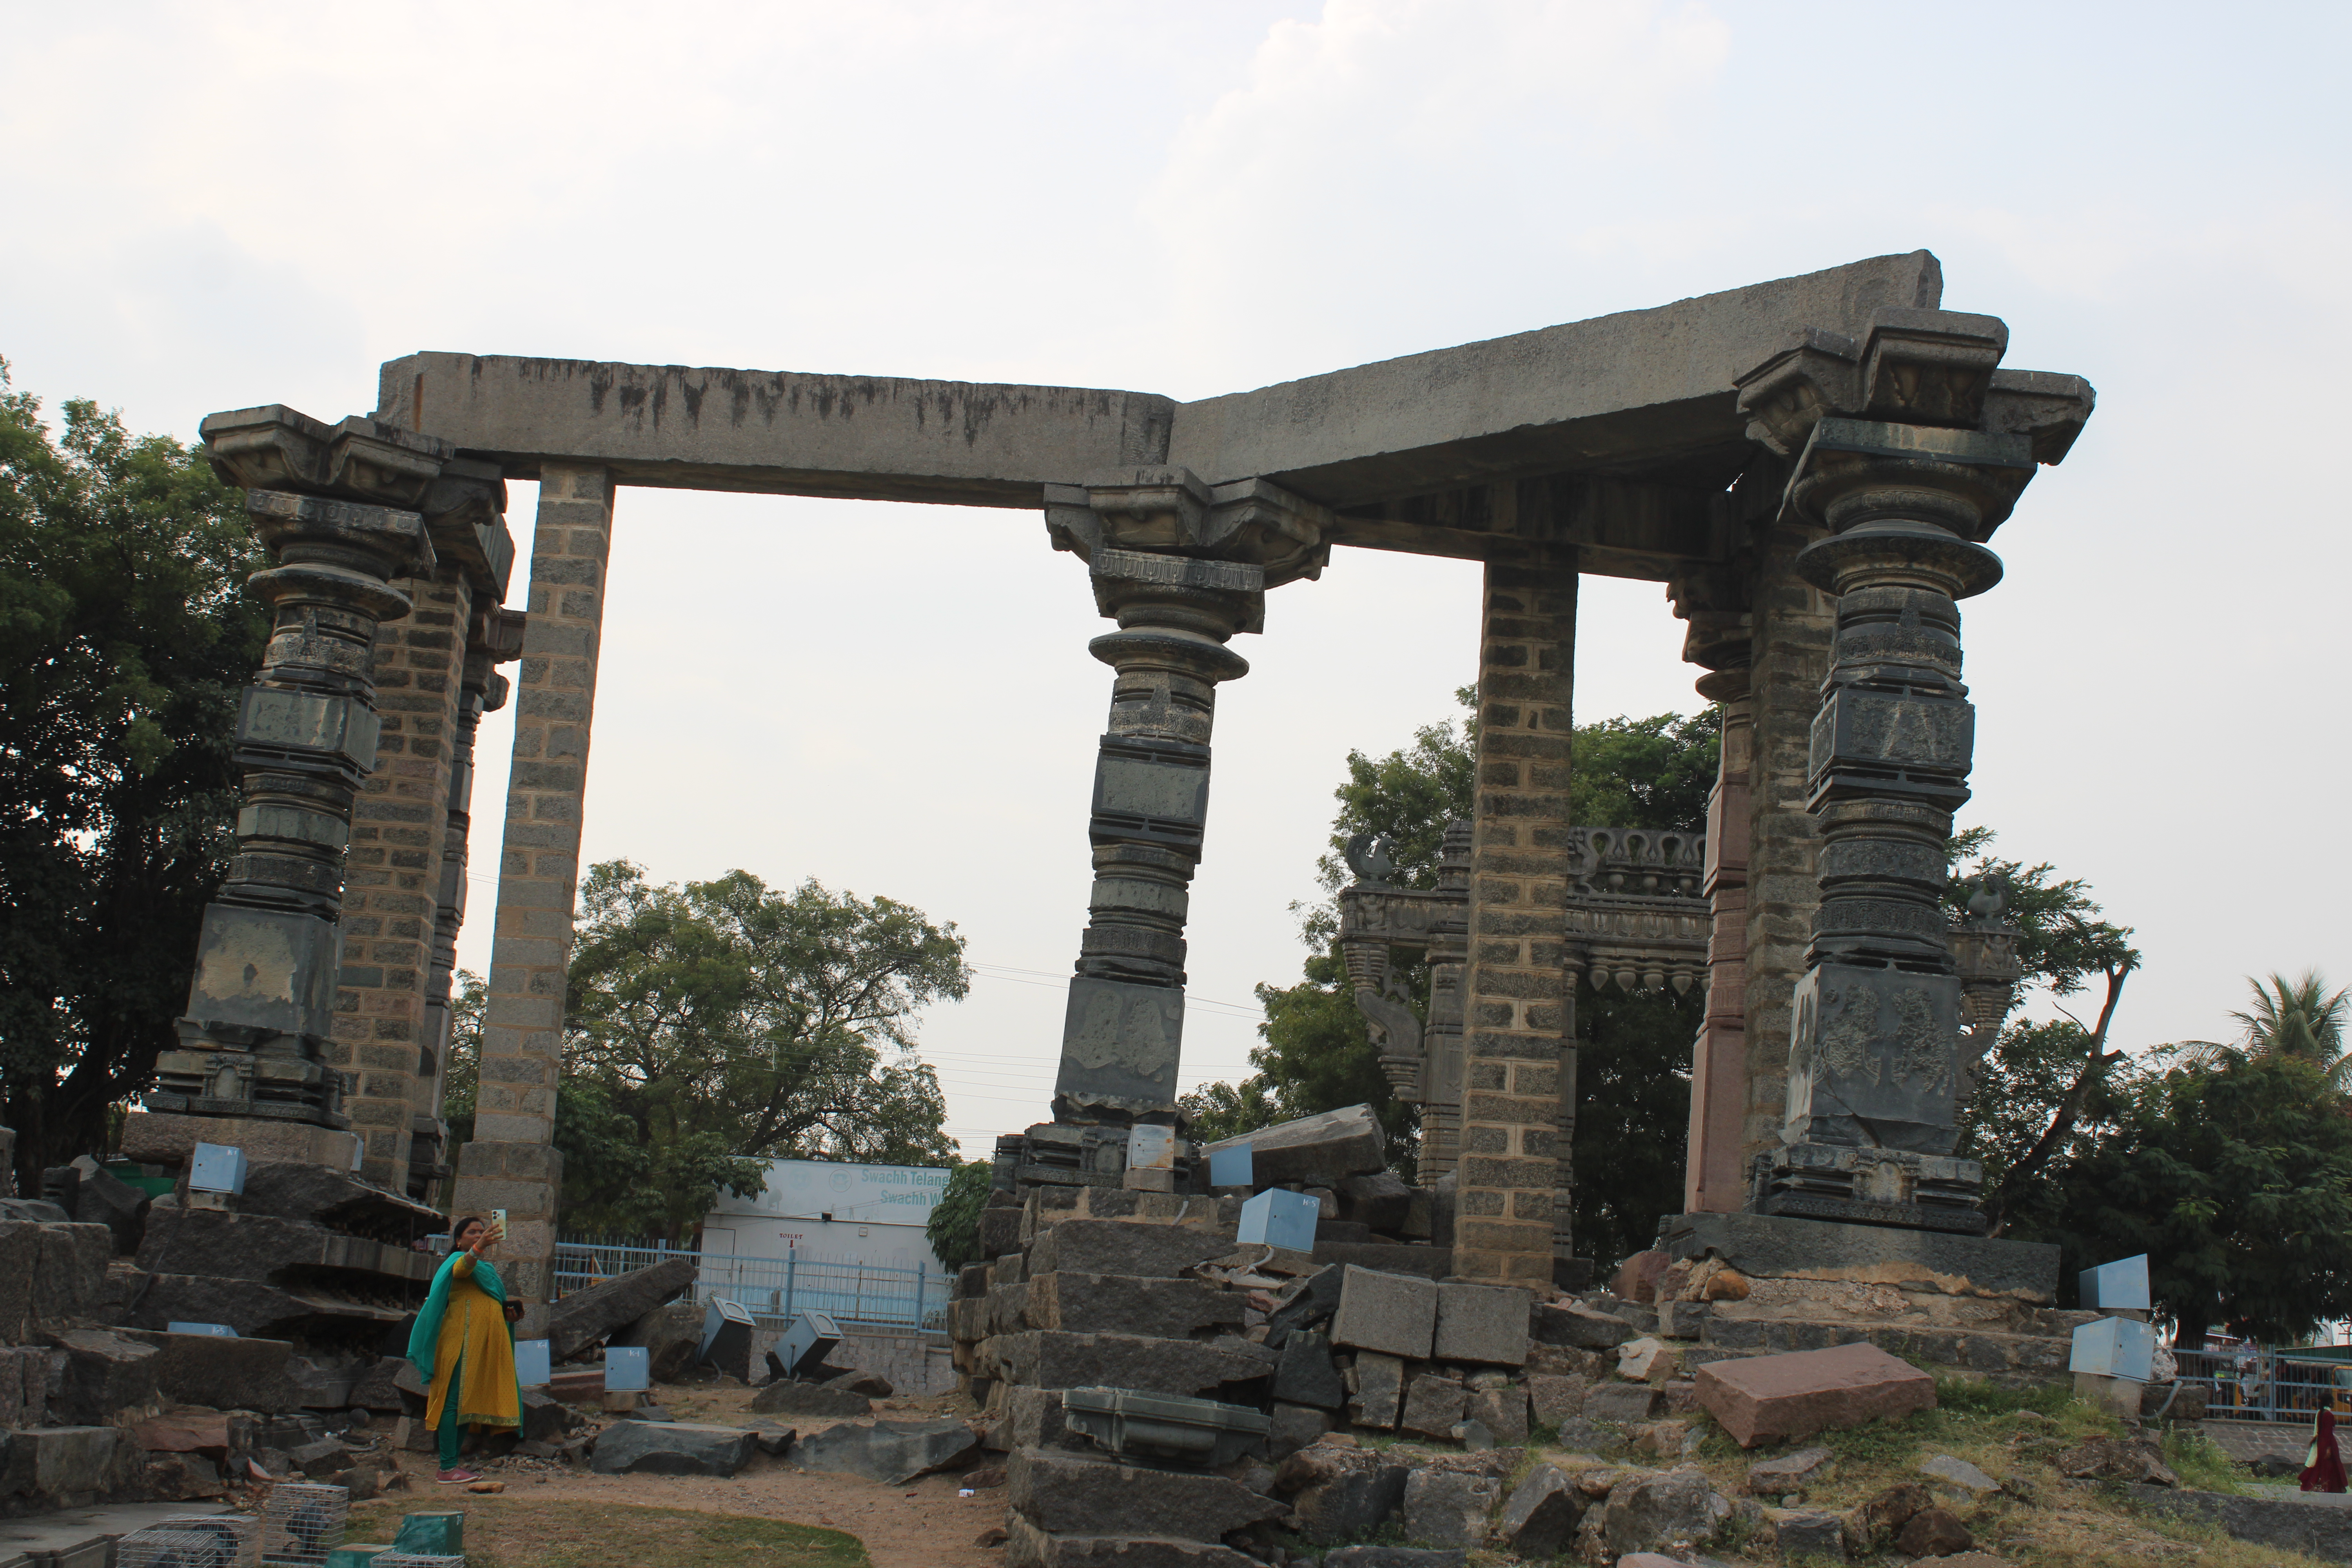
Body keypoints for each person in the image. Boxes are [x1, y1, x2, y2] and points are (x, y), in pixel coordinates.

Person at [406, 1216, 522, 1485]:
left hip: (484, 1346)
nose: (479, 1234)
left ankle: (453, 1466)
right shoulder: (456, 1261)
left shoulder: (488, 1270)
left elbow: (493, 1302)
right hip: (462, 1341)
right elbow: (462, 1270)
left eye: (482, 1232)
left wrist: (509, 1317)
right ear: (459, 1239)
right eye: (472, 1232)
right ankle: (446, 1468)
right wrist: (479, 1247)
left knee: (466, 1404)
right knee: (453, 1401)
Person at [2305, 1406, 2349, 1493]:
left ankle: (2321, 1485)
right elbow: (2329, 1431)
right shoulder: (2328, 1415)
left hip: (2322, 1442)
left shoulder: (2320, 1413)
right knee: (2333, 1464)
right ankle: (2332, 1487)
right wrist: (2329, 1448)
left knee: (2322, 1464)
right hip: (2329, 1442)